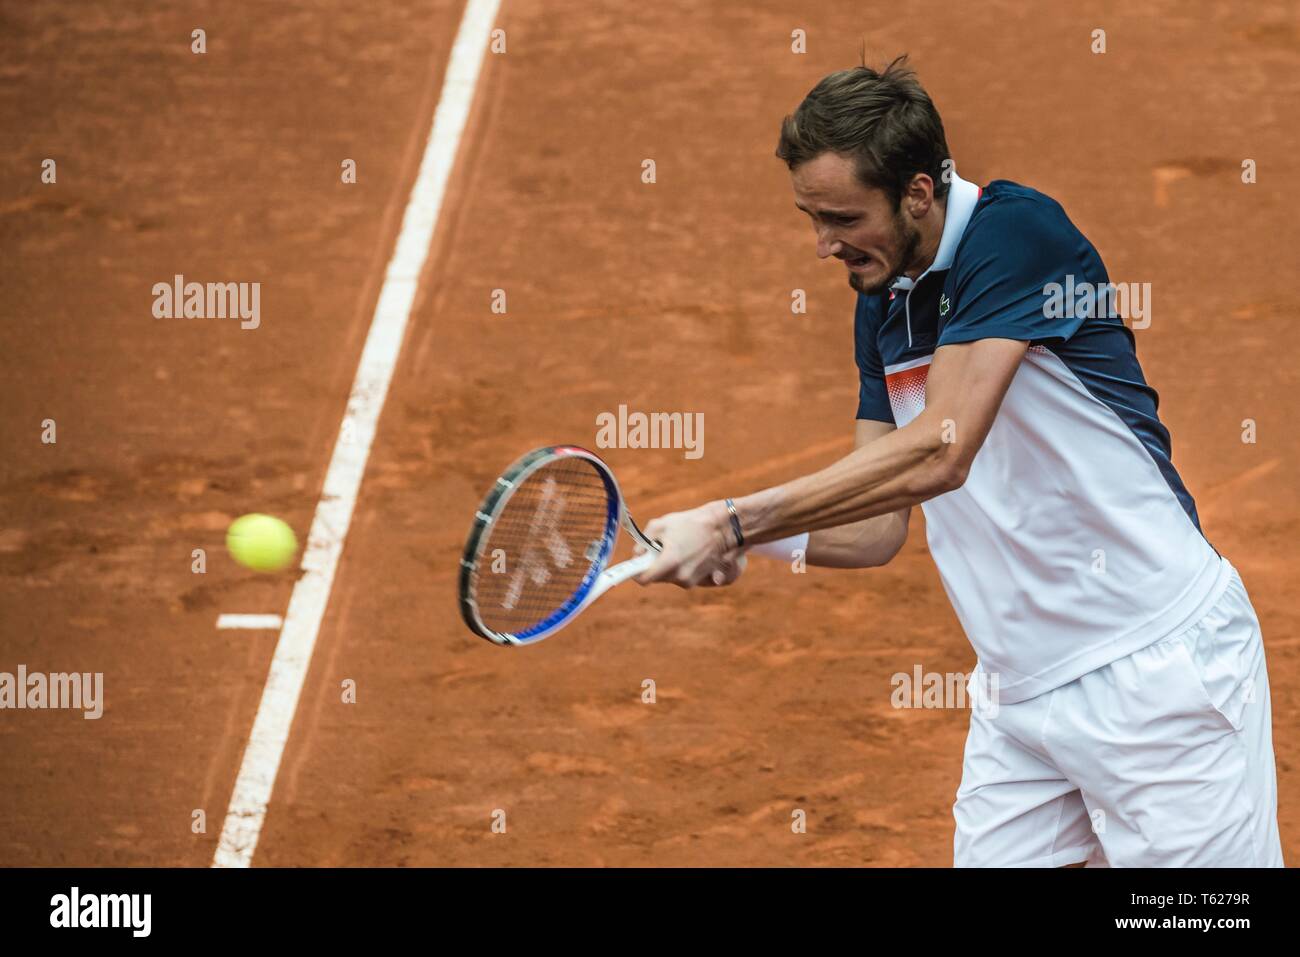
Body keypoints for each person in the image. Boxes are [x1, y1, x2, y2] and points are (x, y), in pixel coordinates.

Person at [634, 56, 1284, 868]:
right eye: (810, 217)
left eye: (840, 217)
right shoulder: (881, 303)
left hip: (1157, 676)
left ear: (917, 192)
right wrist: (747, 542)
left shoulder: (1015, 236)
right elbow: (877, 526)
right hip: (1019, 698)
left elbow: (943, 450)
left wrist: (732, 516)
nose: (822, 245)